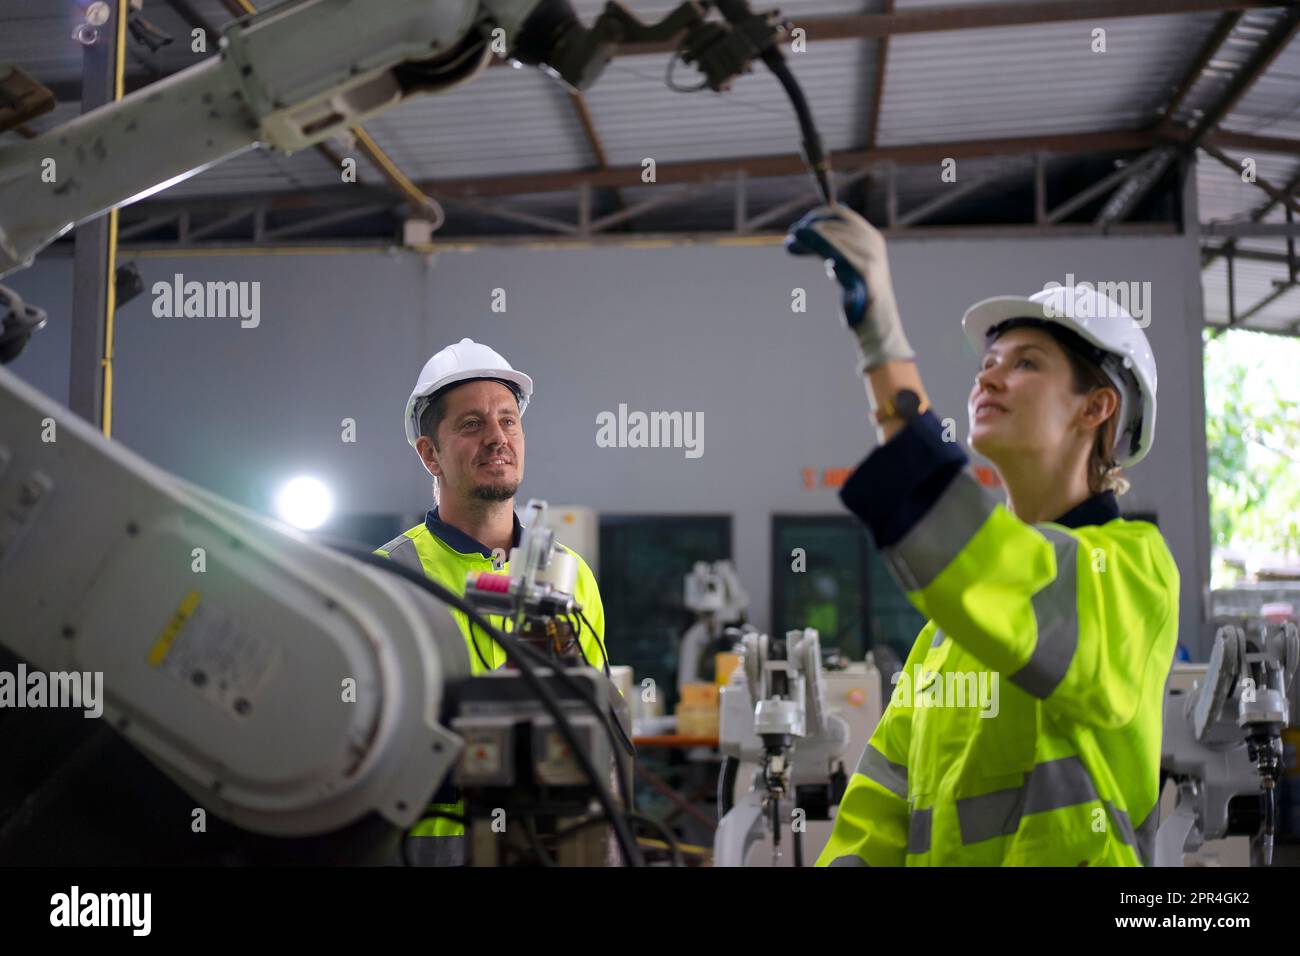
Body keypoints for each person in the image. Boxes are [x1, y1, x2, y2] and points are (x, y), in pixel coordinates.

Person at [786, 207, 1178, 866]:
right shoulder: (945, 638)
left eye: (1025, 363)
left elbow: (996, 566)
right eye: (988, 363)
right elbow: (878, 813)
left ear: (1096, 406)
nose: (986, 378)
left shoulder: (1135, 574)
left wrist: (883, 345)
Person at [377, 337, 608, 866]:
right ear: (429, 453)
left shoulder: (571, 576)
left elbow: (596, 732)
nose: (497, 438)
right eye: (472, 424)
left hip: (549, 850)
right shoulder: (387, 578)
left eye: (508, 420)